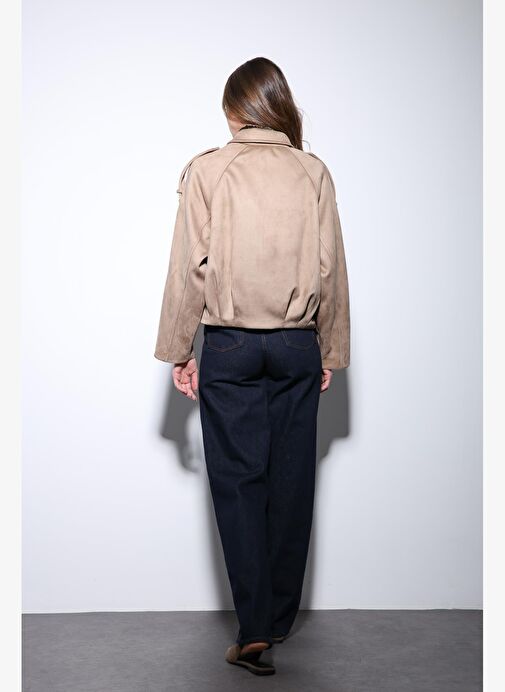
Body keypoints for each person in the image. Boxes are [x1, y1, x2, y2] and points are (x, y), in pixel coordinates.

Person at [154, 56, 350, 676]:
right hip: (295, 344)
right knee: (292, 479)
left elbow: (189, 267)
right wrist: (330, 349)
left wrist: (179, 349)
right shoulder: (312, 171)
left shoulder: (208, 170)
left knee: (239, 484)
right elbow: (330, 268)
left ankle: (255, 627)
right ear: (276, 105)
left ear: (234, 110)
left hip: (230, 344)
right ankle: (280, 618)